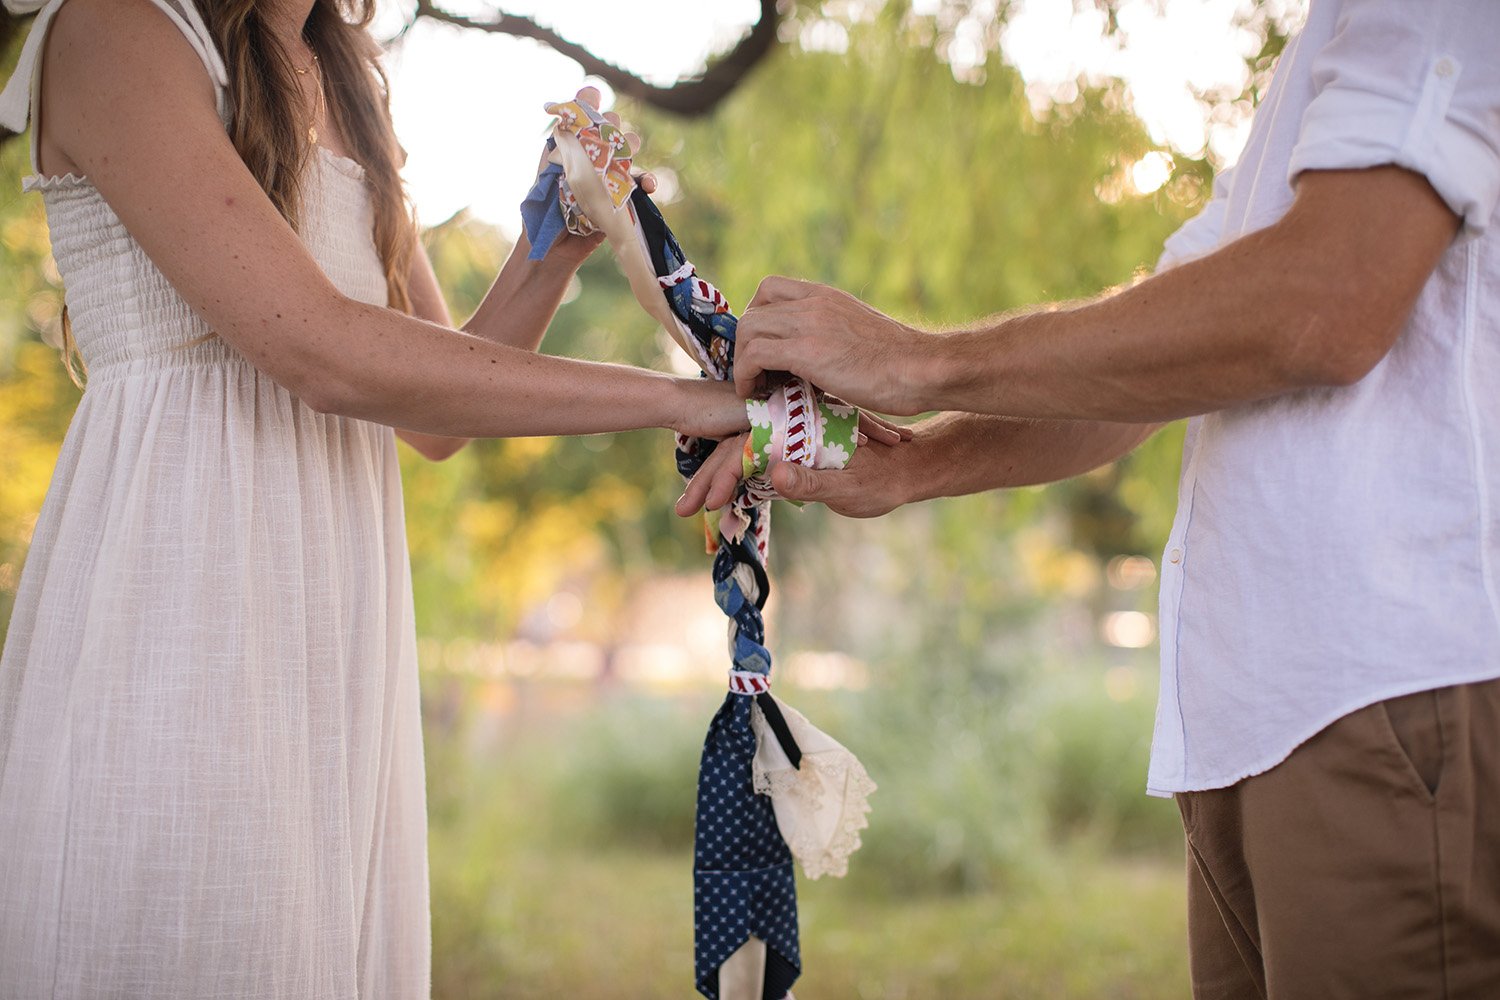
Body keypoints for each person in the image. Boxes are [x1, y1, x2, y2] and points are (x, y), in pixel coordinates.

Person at [0, 0, 904, 994]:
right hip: (181, 613)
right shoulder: (117, 28)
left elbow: (434, 413)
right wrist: (692, 402)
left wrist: (557, 241)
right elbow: (325, 350)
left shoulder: (343, 74)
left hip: (327, 636)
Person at [679, 1, 1500, 995]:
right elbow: (1151, 368)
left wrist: (920, 359)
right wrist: (915, 465)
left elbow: (1323, 304)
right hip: (1261, 735)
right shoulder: (1321, 55)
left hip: (1389, 700)